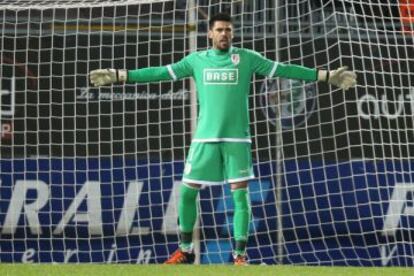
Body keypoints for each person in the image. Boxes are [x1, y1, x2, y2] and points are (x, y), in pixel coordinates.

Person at [89, 13, 357, 265]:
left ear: (233, 33)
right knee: (186, 193)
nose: (224, 33)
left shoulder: (247, 58)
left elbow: (285, 69)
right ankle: (185, 249)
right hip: (204, 139)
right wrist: (120, 75)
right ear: (209, 34)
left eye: (228, 29)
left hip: (237, 140)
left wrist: (324, 75)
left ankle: (240, 255)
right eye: (219, 30)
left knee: (240, 197)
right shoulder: (196, 60)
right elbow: (160, 72)